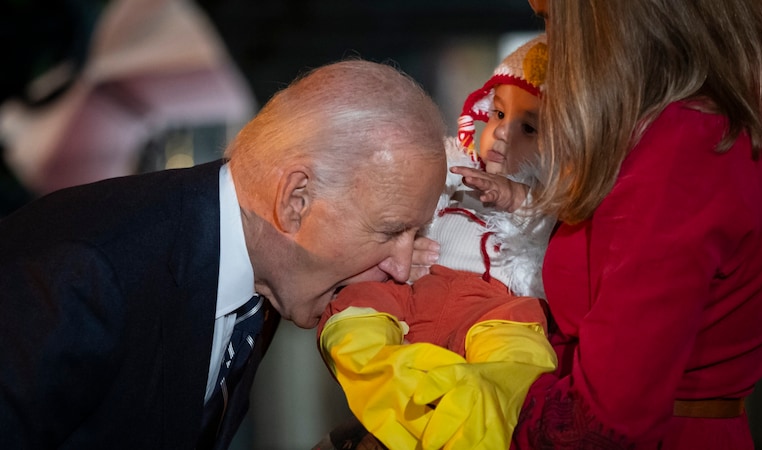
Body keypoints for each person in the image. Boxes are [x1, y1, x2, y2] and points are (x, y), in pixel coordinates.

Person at [0, 59, 448, 450]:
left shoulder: (260, 271)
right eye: (392, 231)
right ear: (296, 200)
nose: (402, 265)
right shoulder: (84, 275)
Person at [502, 0, 762, 448]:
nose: (553, 47)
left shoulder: (686, 144)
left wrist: (471, 400)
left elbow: (603, 421)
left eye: (553, 19)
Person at [315, 35, 557, 450]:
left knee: (524, 364)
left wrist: (518, 198)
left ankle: (453, 408)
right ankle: (426, 394)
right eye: (497, 114)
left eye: (528, 128)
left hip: (492, 312)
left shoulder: (550, 201)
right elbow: (399, 184)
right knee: (351, 324)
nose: (500, 134)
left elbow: (556, 230)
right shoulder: (453, 161)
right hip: (410, 292)